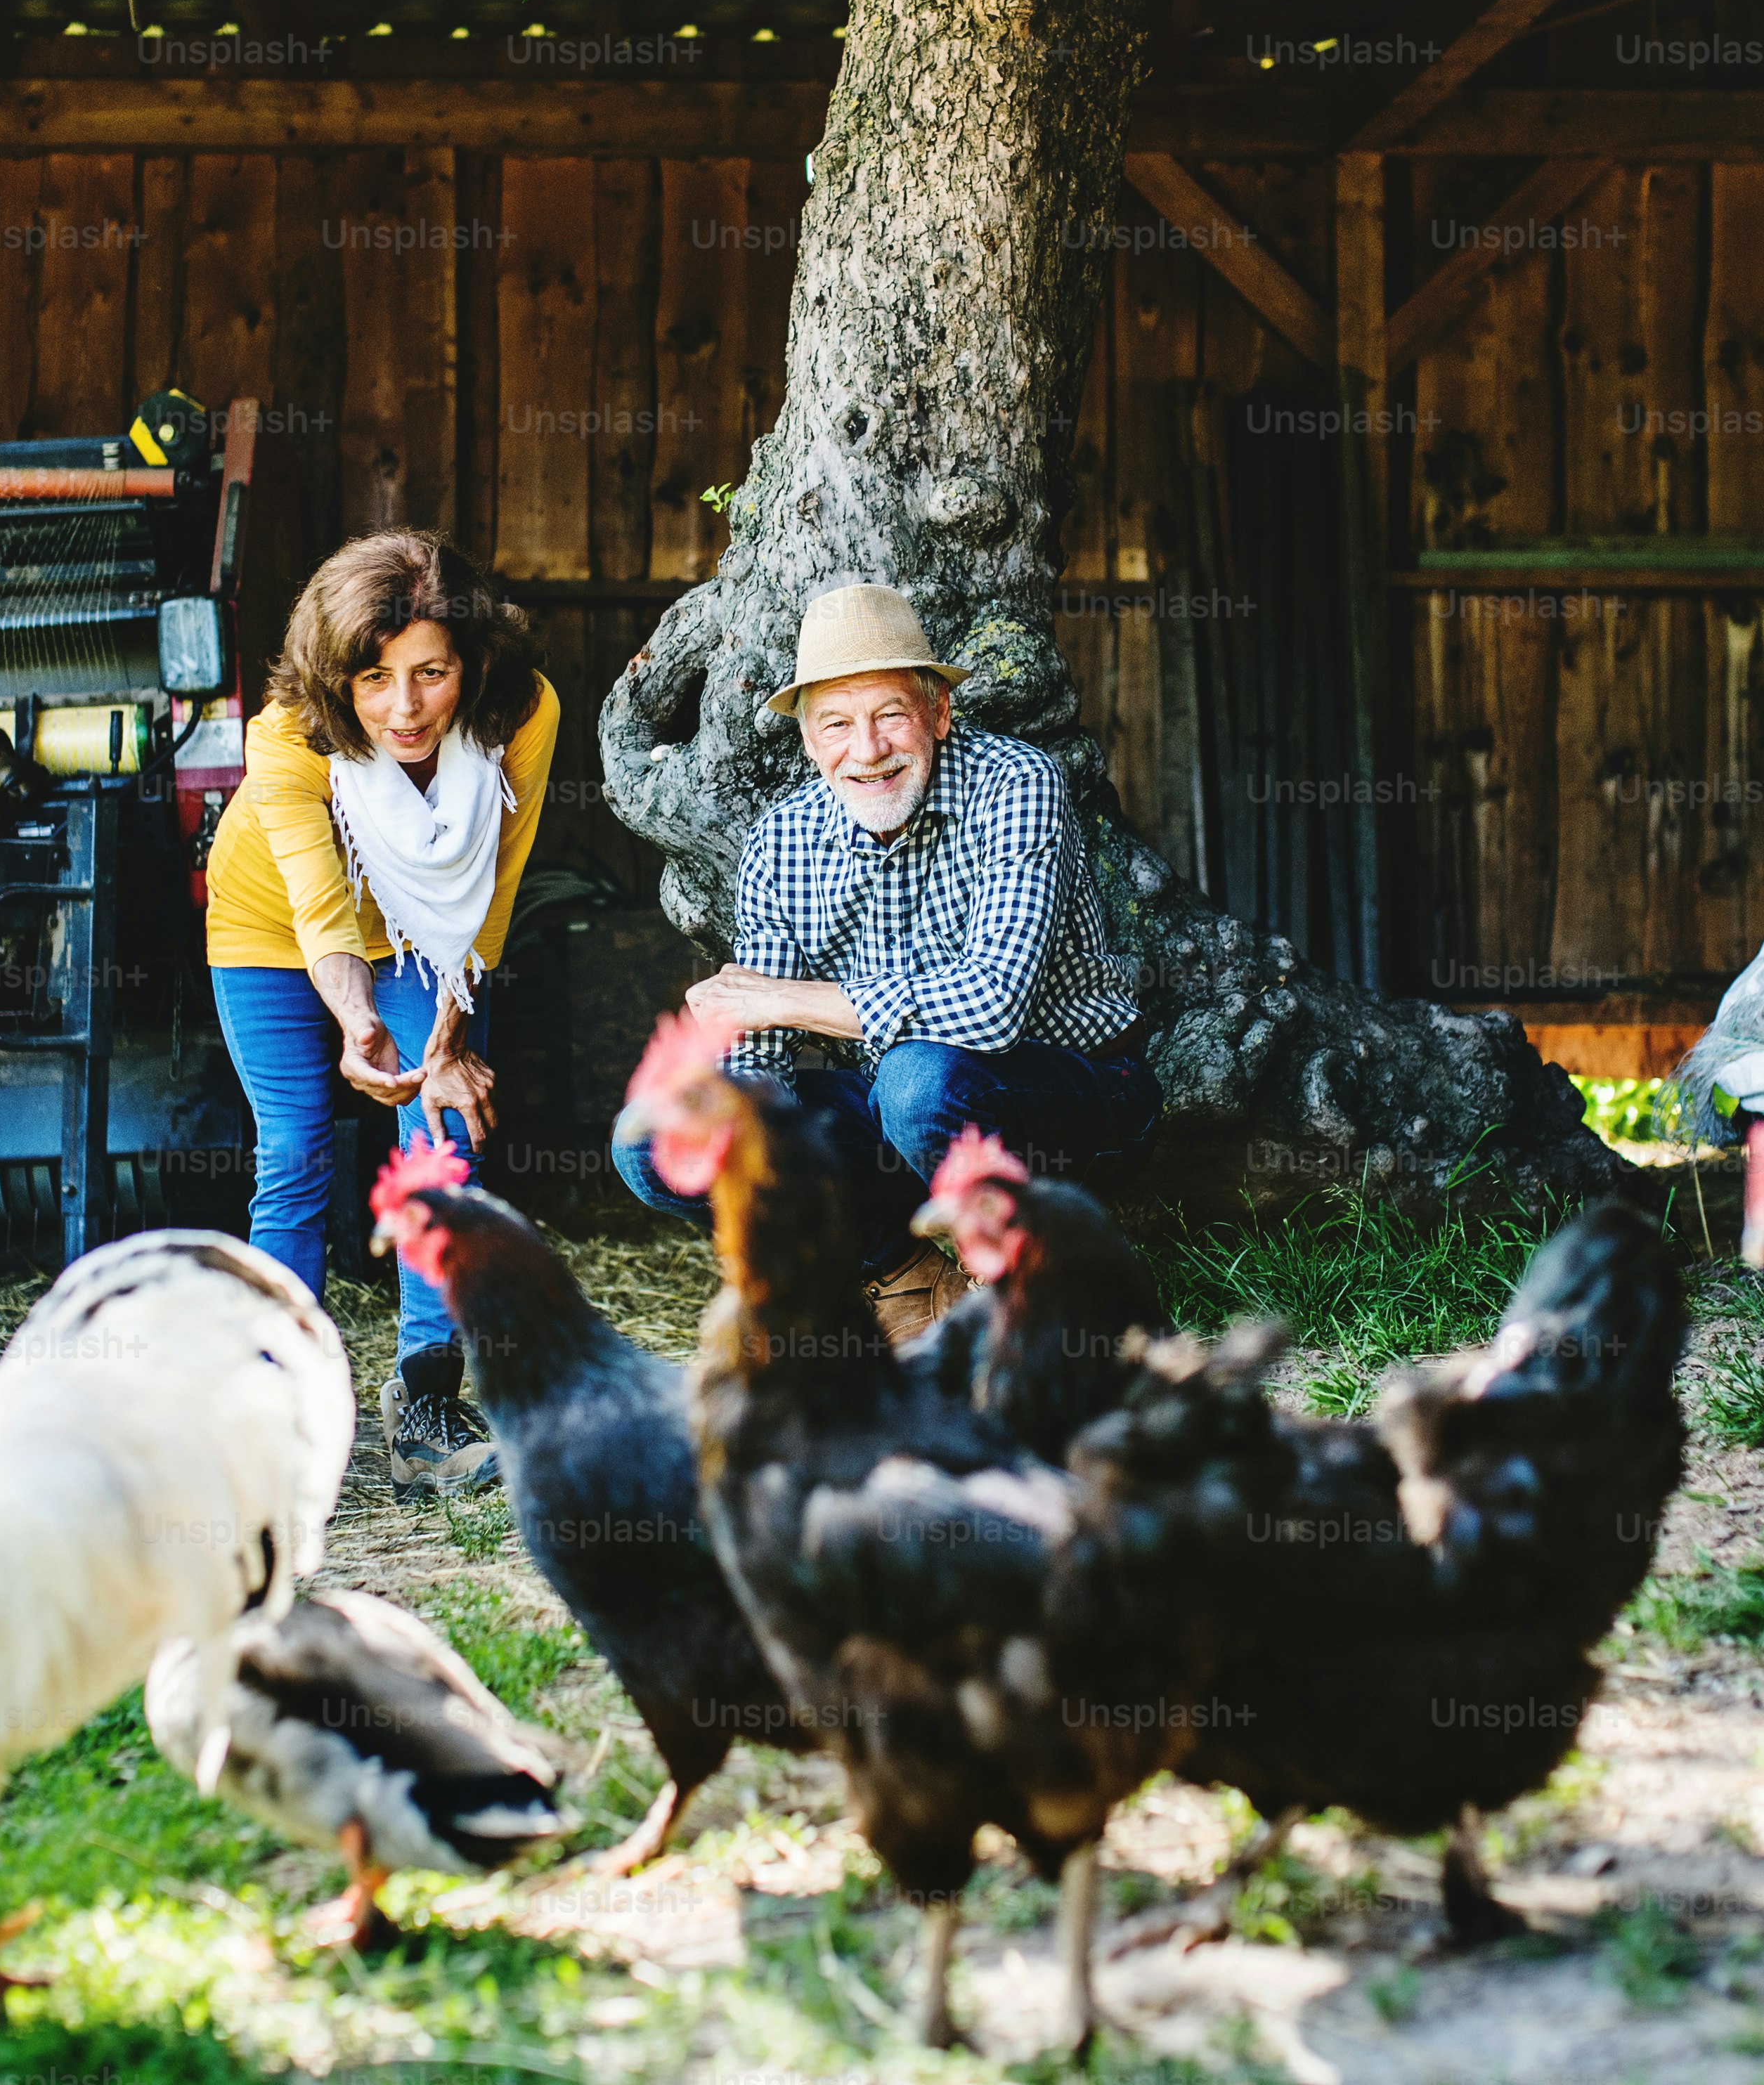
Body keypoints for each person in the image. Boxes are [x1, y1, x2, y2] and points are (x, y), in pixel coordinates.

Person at [611, 581, 1157, 1335]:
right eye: (835, 723)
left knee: (918, 1081)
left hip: (1066, 1081)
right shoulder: (781, 843)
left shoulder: (1016, 783)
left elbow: (991, 1007)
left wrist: (784, 999)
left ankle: (1038, 1297)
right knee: (656, 1139)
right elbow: (759, 1062)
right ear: (807, 741)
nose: (866, 751)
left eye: (891, 716)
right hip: (895, 1110)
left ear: (938, 713)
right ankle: (898, 1277)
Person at [208, 531, 558, 1498]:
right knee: (294, 1151)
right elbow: (321, 910)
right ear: (333, 677)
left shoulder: (519, 715)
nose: (404, 709)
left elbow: (496, 885)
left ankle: (426, 1409)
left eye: (431, 673)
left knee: (440, 1139)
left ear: (472, 665)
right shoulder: (287, 730)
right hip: (272, 929)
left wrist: (444, 1036)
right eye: (373, 678)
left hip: (429, 933)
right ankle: (282, 1421)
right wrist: (361, 1026)